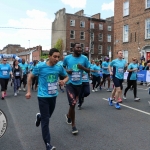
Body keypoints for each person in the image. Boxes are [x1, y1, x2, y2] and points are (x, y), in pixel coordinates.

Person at [25, 48, 68, 150]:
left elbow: (66, 76)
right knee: (46, 121)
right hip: (43, 96)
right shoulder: (40, 66)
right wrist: (29, 91)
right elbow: (30, 76)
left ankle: (39, 116)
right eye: (55, 57)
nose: (57, 59)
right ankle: (48, 144)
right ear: (49, 56)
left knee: (47, 117)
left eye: (58, 57)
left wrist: (64, 81)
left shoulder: (59, 67)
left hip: (53, 96)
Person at [63, 43, 90, 134]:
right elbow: (62, 68)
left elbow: (89, 70)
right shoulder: (67, 58)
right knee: (73, 103)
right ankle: (73, 126)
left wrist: (82, 67)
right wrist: (67, 71)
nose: (80, 49)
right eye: (77, 47)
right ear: (73, 48)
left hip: (79, 84)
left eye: (80, 47)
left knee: (72, 104)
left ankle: (68, 115)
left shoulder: (84, 58)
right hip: (70, 83)